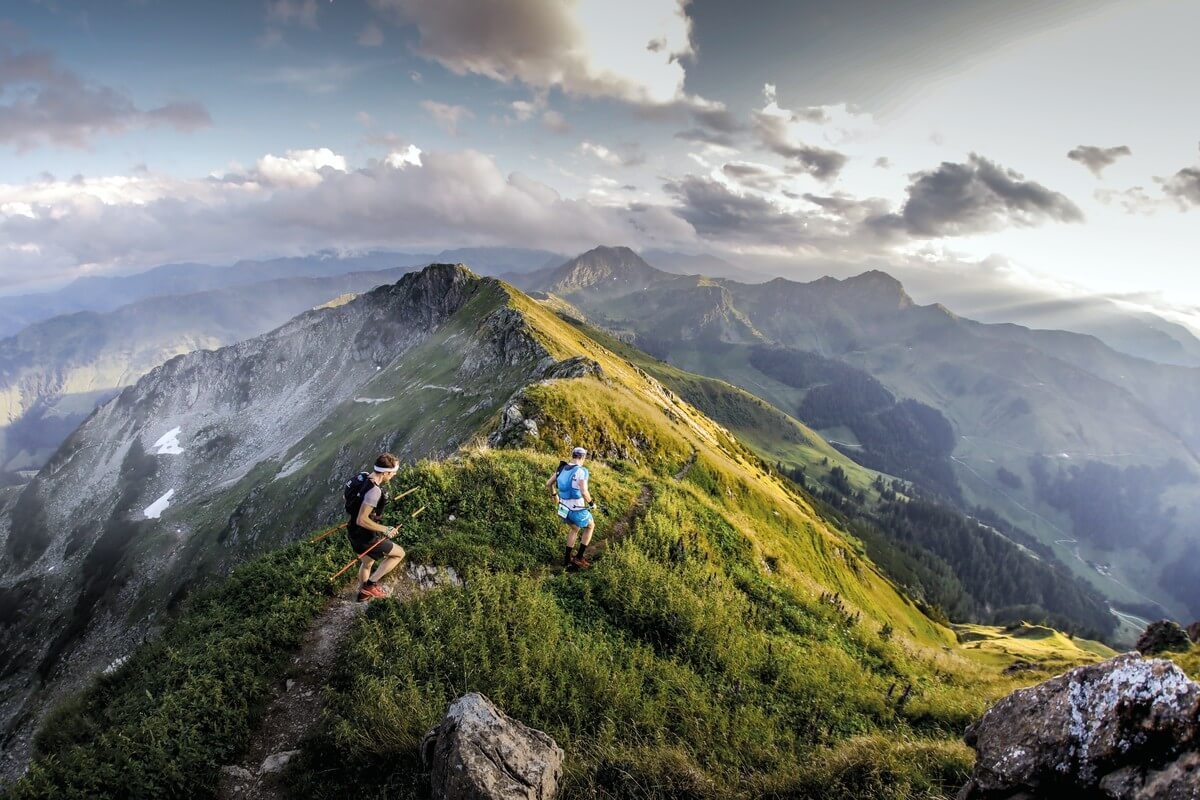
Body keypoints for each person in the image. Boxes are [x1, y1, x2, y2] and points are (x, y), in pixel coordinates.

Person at [344, 453, 406, 601]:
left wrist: (359, 510)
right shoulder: (374, 491)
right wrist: (386, 529)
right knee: (399, 554)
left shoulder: (362, 476)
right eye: (393, 472)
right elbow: (362, 520)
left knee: (367, 563)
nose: (394, 474)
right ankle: (370, 585)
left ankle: (363, 594)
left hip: (353, 531)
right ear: (385, 472)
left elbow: (347, 498)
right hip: (366, 537)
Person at [546, 446, 596, 569]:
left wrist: (554, 495)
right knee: (590, 526)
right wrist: (591, 504)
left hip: (562, 508)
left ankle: (567, 559)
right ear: (582, 457)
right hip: (576, 509)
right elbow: (584, 492)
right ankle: (579, 557)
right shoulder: (581, 471)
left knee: (574, 529)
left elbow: (548, 483)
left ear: (573, 455)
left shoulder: (561, 468)